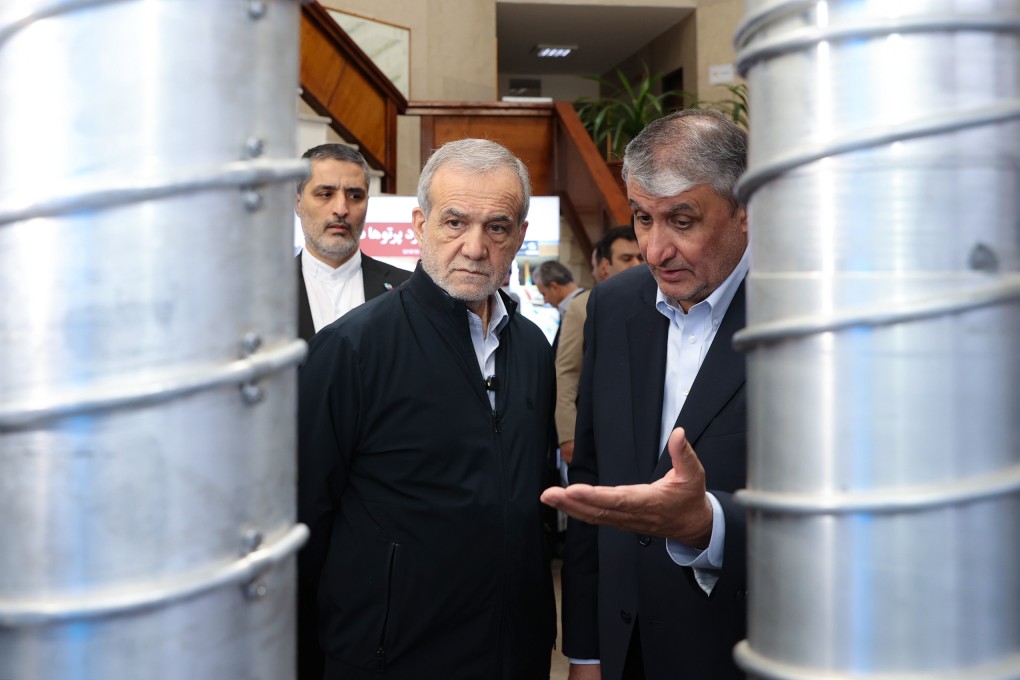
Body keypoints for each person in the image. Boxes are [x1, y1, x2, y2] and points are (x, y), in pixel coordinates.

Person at [297, 138, 557, 679]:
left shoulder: (532, 349)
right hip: (392, 658)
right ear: (420, 225)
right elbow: (305, 522)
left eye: (498, 227)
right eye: (455, 222)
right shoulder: (352, 349)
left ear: (520, 238)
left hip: (514, 655)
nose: (475, 247)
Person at [542, 109, 750, 680]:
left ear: (746, 211)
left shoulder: (806, 319)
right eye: (641, 219)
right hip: (622, 648)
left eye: (682, 221)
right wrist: (583, 650)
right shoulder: (612, 307)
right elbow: (592, 484)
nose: (656, 250)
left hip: (736, 650)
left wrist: (710, 525)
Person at [295, 143, 411, 340]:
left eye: (355, 196)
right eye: (326, 194)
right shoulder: (262, 292)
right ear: (297, 203)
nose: (341, 209)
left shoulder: (406, 290)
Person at [554, 226, 643, 464]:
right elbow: (567, 373)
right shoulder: (582, 307)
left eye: (640, 257)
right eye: (626, 258)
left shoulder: (661, 305)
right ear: (605, 266)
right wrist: (568, 436)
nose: (636, 264)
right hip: (599, 434)